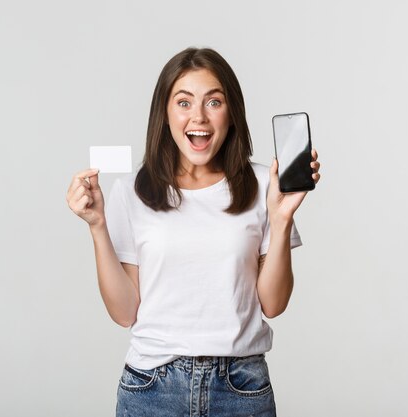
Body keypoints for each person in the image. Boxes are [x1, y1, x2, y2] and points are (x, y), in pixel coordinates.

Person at [66, 47, 321, 417]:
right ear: (165, 113)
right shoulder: (131, 190)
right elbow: (124, 313)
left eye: (213, 101)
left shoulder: (266, 184)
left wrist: (281, 221)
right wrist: (98, 226)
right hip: (152, 388)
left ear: (231, 112)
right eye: (183, 102)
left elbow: (273, 304)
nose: (198, 116)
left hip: (241, 387)